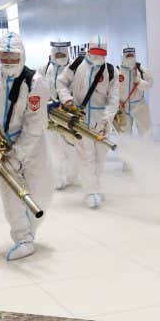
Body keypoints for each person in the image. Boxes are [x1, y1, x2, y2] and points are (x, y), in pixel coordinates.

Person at [0, 30, 51, 260]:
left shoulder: (35, 82)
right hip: (0, 143)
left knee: (40, 192)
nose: (8, 63)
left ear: (21, 56)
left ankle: (31, 230)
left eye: (12, 59)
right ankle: (23, 238)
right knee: (10, 194)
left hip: (32, 146)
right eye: (4, 58)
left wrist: (20, 153)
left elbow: (35, 124)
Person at [56, 34, 117, 209]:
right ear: (89, 50)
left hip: (101, 119)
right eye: (95, 52)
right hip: (80, 117)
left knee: (100, 157)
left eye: (102, 53)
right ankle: (90, 192)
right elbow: (61, 83)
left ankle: (95, 187)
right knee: (86, 156)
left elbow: (114, 99)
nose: (98, 56)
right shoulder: (76, 65)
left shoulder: (111, 71)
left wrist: (107, 120)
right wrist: (67, 100)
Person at [41, 40, 80, 190]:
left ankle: (73, 176)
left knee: (72, 147)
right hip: (50, 115)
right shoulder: (44, 69)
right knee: (53, 148)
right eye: (57, 52)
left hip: (69, 115)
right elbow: (37, 90)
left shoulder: (74, 70)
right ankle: (58, 178)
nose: (60, 55)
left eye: (62, 52)